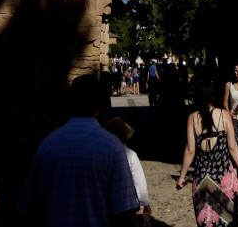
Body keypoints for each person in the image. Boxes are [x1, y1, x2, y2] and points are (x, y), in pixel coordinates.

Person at [19, 74, 138, 227]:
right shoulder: (112, 147)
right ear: (98, 106)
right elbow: (125, 211)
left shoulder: (47, 145)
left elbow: (28, 207)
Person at [176, 83, 238, 227]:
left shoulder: (192, 118)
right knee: (229, 222)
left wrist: (182, 177)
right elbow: (232, 147)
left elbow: (190, 150)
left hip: (202, 182)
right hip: (224, 181)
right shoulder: (224, 115)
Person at [106, 117, 151, 225]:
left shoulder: (104, 153)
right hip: (127, 203)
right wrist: (145, 203)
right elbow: (139, 182)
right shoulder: (131, 155)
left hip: (107, 203)